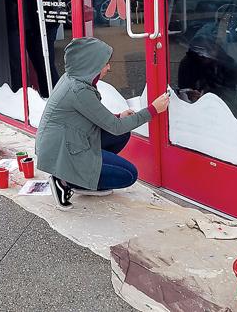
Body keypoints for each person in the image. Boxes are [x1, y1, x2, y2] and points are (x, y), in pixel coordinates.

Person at [35, 37, 170, 209]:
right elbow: (115, 126)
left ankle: (79, 179)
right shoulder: (79, 90)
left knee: (121, 133)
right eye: (105, 63)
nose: (109, 67)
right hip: (64, 152)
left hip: (68, 141)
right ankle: (64, 181)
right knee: (129, 174)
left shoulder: (73, 78)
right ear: (91, 66)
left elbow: (98, 118)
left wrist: (118, 116)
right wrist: (153, 110)